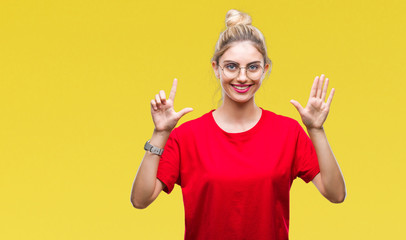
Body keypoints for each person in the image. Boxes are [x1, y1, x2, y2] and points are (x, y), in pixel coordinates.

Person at [130, 9, 346, 240]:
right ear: (216, 68)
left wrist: (316, 130)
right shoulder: (187, 136)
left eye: (252, 67)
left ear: (265, 69)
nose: (242, 77)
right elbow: (140, 200)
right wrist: (160, 133)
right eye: (231, 66)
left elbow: (336, 194)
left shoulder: (287, 133)